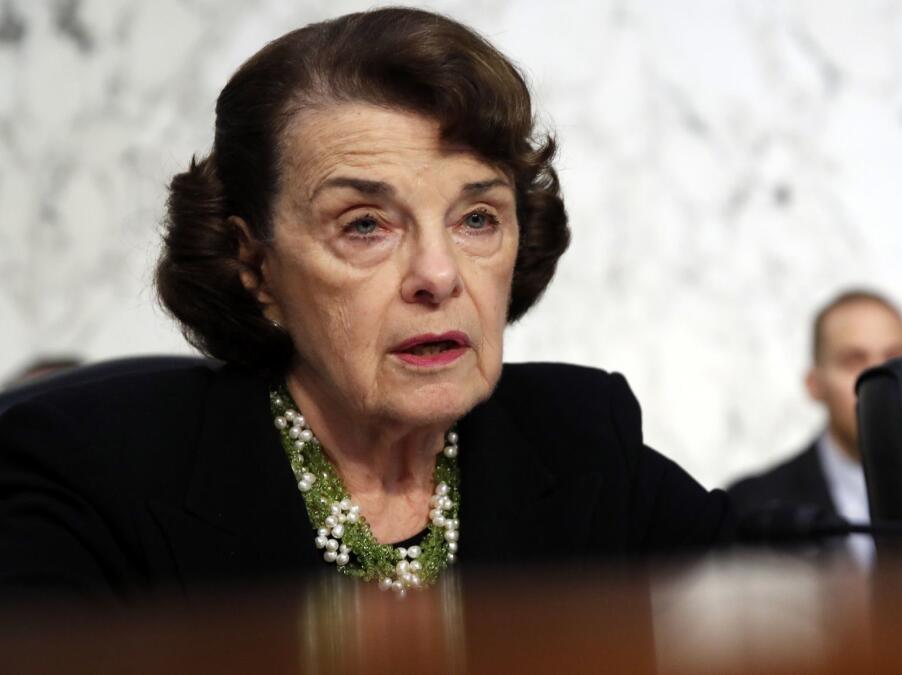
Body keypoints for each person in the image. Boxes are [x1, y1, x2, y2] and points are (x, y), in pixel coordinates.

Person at [0, 7, 729, 603]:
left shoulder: (581, 441)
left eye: (477, 218)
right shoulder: (91, 468)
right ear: (256, 265)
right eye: (366, 226)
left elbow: (801, 600)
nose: (438, 275)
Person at [727, 290, 902, 559]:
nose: (878, 381)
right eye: (853, 361)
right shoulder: (755, 505)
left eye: (895, 358)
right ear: (815, 385)